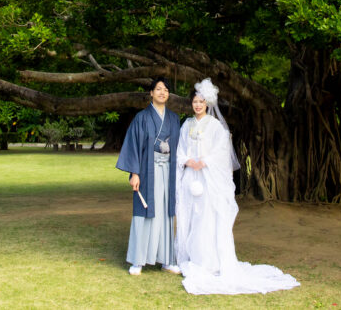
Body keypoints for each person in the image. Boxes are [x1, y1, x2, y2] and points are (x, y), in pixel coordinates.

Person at [175, 78, 300, 295]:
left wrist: (204, 162)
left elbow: (221, 152)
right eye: (195, 101)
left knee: (207, 216)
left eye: (201, 102)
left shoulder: (215, 126)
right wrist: (188, 161)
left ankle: (209, 261)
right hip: (190, 177)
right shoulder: (186, 124)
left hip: (208, 178)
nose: (197, 105)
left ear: (208, 104)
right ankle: (191, 257)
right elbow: (181, 149)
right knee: (191, 215)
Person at [116, 76, 182, 275]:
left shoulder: (174, 118)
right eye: (159, 89)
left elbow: (180, 148)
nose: (163, 92)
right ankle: (138, 260)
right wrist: (134, 173)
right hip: (147, 170)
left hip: (168, 170)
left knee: (166, 213)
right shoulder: (142, 118)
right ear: (151, 93)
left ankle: (167, 259)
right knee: (145, 213)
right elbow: (134, 145)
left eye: (166, 90)